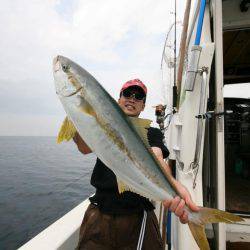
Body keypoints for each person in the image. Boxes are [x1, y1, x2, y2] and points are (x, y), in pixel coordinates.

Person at [73, 79, 199, 250]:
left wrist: (174, 185)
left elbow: (157, 156)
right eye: (127, 94)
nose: (132, 99)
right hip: (100, 212)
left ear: (143, 106)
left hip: (137, 216)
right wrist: (75, 111)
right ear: (118, 100)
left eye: (138, 97)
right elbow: (83, 147)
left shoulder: (150, 132)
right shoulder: (101, 125)